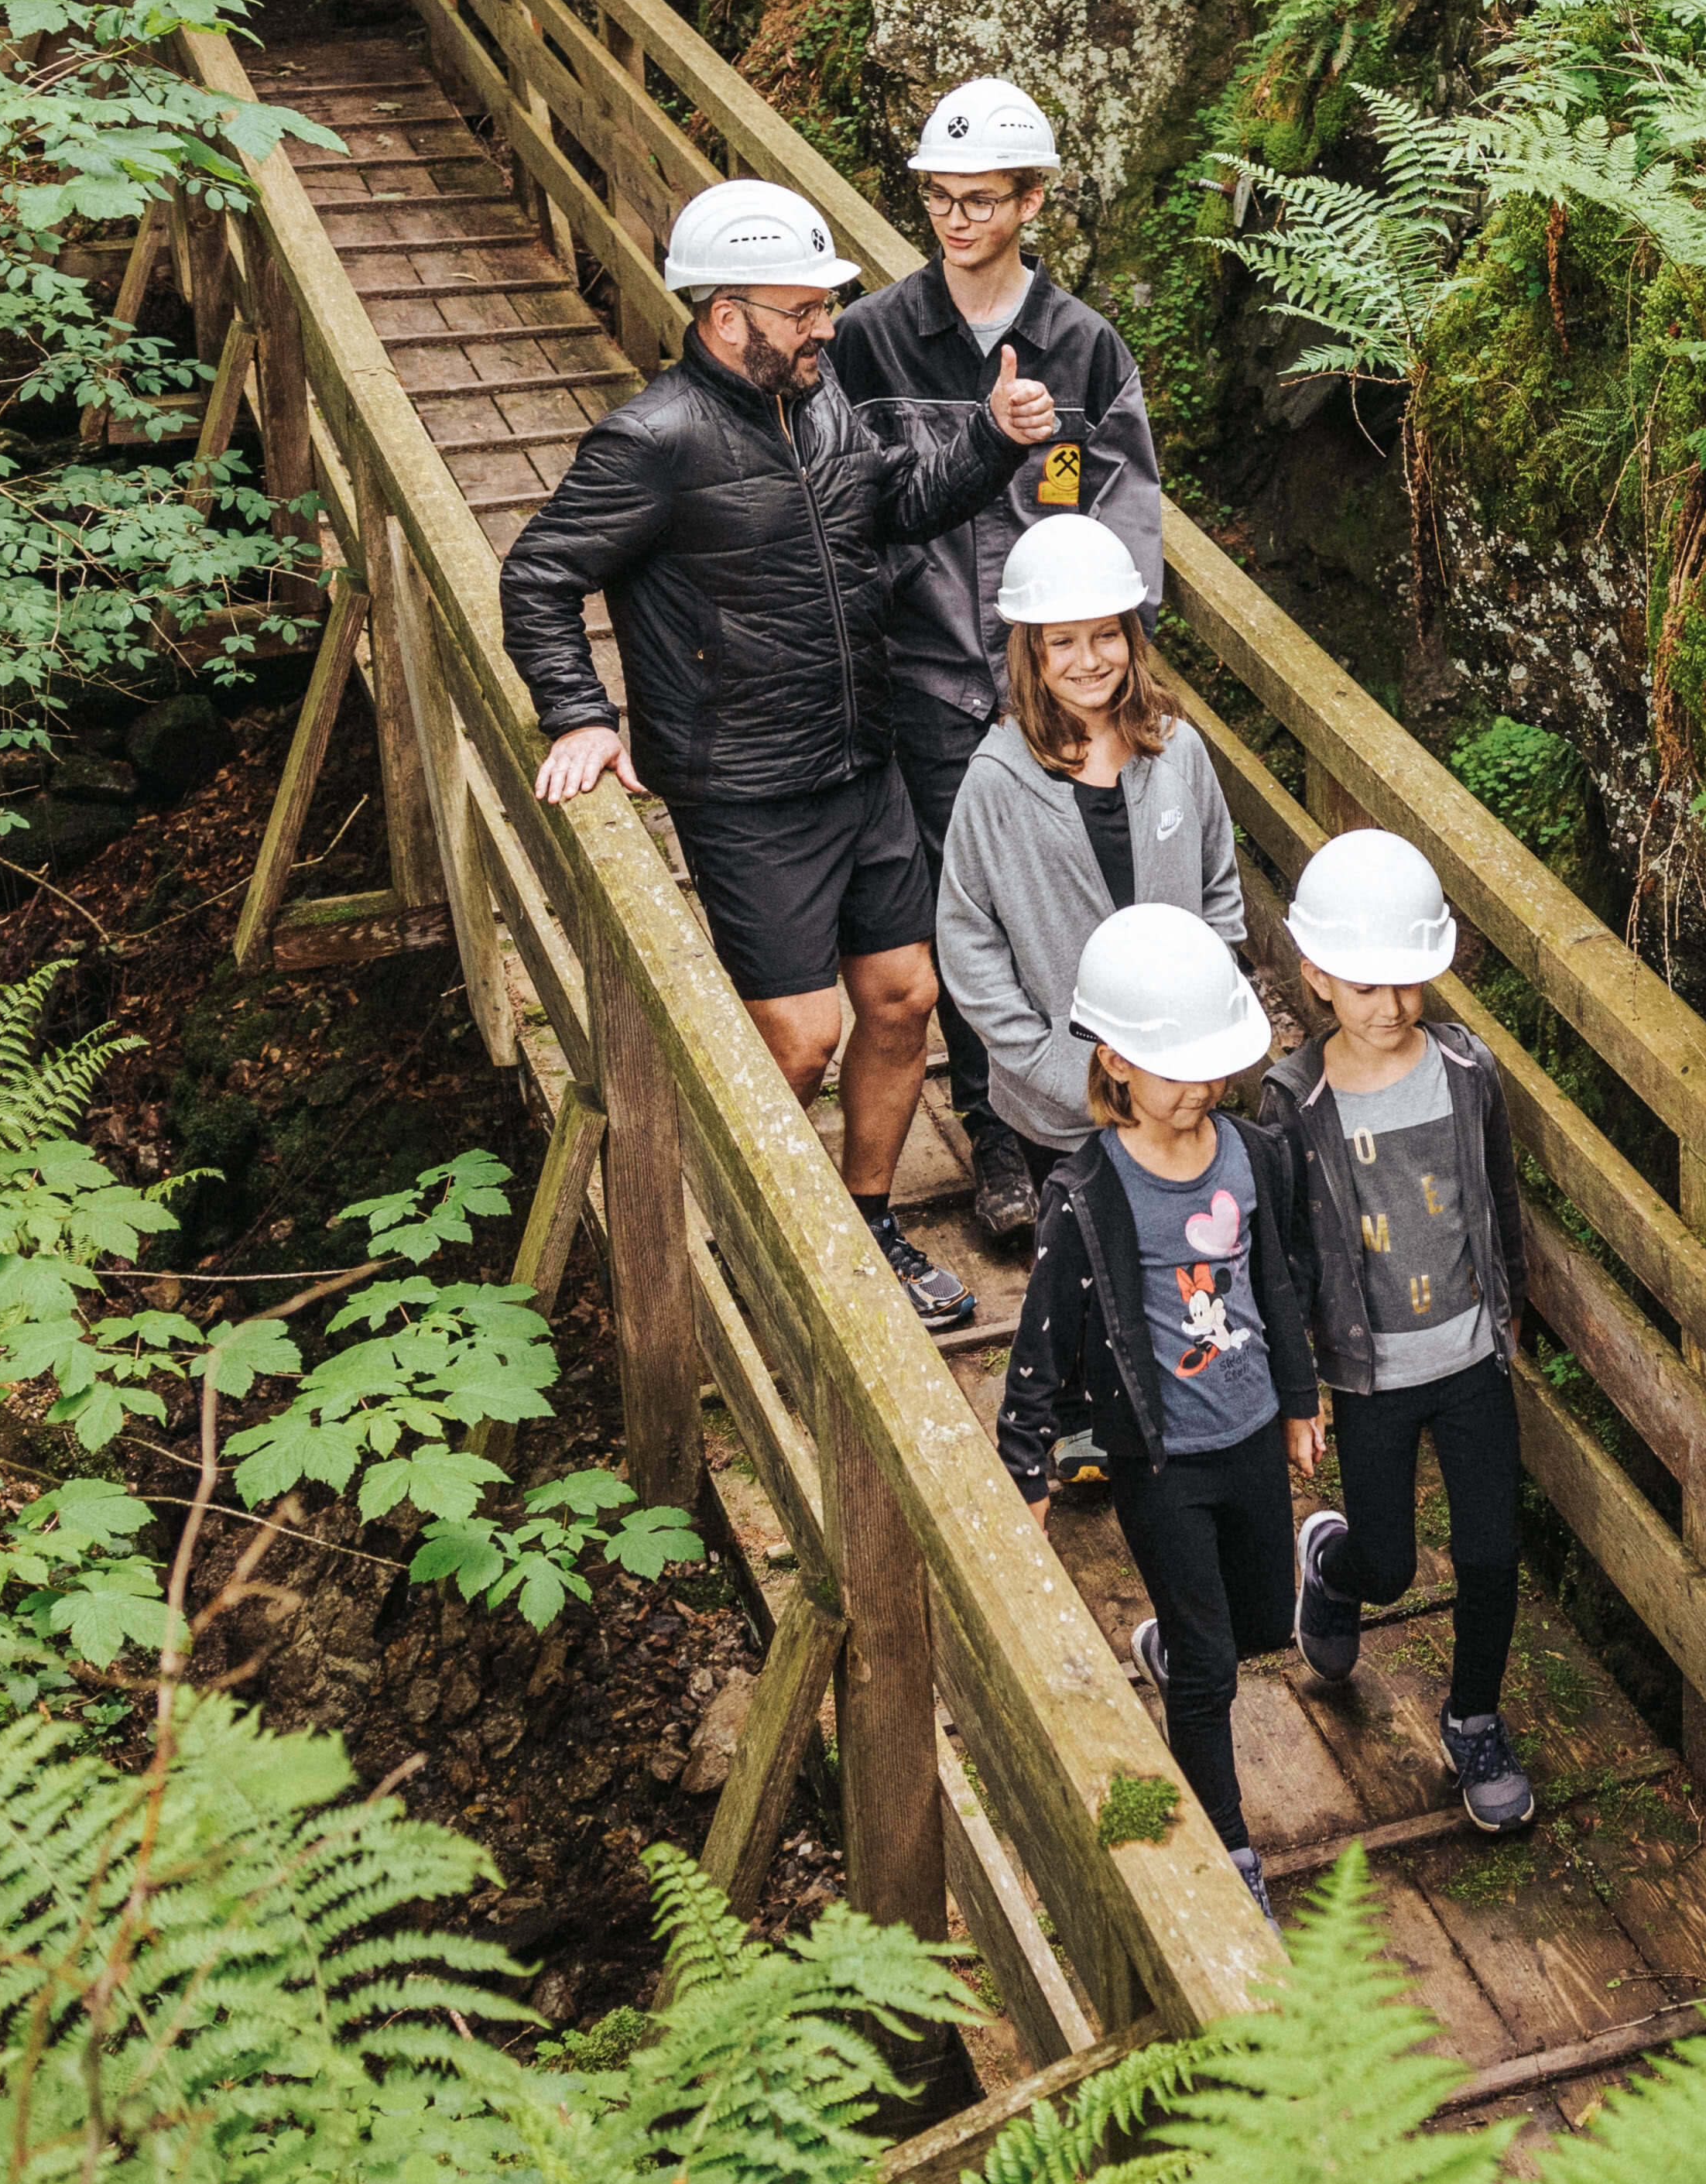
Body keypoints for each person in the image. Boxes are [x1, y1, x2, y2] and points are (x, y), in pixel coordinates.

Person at [502, 174, 1041, 1331]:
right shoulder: (652, 440)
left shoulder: (829, 402)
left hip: (863, 758)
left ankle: (865, 1221)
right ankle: (744, 1241)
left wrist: (993, 443)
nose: (826, 328)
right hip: (745, 786)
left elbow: (896, 506)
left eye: (826, 306)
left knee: (904, 999)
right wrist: (581, 715)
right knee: (798, 1041)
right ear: (725, 313)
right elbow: (541, 576)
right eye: (801, 312)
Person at [831, 74, 1170, 1189]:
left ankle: (1080, 1114)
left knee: (1062, 898)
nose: (956, 219)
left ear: (1032, 203)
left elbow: (1126, 519)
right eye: (939, 196)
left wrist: (1107, 664)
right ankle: (994, 1137)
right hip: (925, 674)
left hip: (1051, 685)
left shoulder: (1084, 348)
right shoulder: (871, 339)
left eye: (981, 199)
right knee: (961, 912)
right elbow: (847, 504)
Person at [987, 907, 1317, 1911]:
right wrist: (1025, 1466)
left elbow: (1274, 1284)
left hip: (1254, 1430)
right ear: (1117, 1062)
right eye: (1181, 1068)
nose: (1206, 1087)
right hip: (1161, 1457)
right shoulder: (1088, 1195)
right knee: (1214, 1671)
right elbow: (1041, 1340)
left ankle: (1182, 1642)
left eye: (1216, 1065)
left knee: (1265, 1625)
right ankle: (1231, 1852)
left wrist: (1302, 1400)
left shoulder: (1251, 1157)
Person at [1262, 826, 1540, 1835]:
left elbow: (1499, 1200)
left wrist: (1513, 1313)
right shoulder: (1297, 1103)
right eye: (1370, 986)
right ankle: (1331, 1566)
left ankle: (1472, 1719)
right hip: (1371, 1373)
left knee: (1490, 1553)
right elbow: (1287, 1255)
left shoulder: (1468, 1072)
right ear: (1319, 978)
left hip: (1470, 1357)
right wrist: (1301, 1390)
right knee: (1391, 1567)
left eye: (1412, 982)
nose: (1394, 1006)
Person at [929, 518, 1249, 1283]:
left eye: (1103, 635)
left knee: (1187, 1268)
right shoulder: (996, 779)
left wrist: (1207, 1015)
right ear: (1032, 652)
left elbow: (1219, 890)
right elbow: (966, 937)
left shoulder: (1177, 749)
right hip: (1060, 1105)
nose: (1086, 660)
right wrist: (1042, 1058)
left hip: (1178, 1078)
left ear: (1131, 636)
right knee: (1091, 1278)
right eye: (1061, 641)